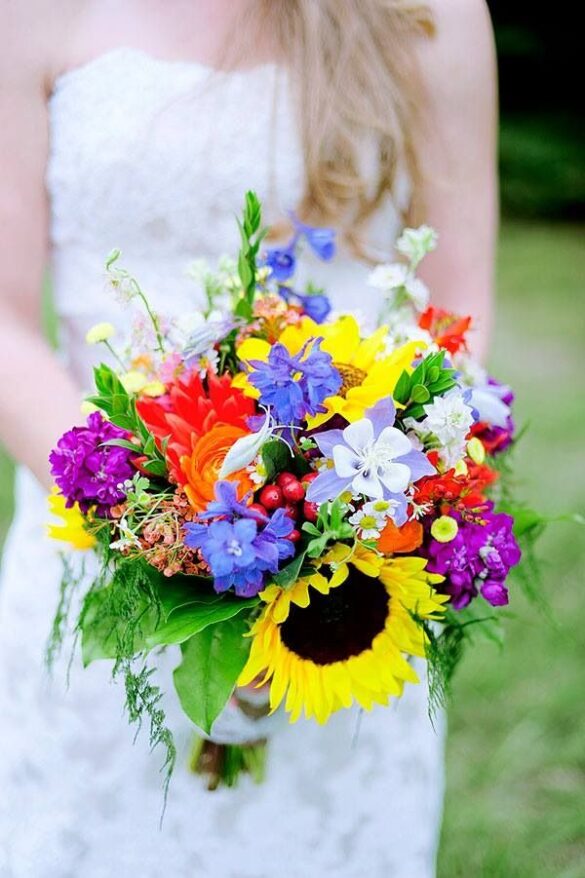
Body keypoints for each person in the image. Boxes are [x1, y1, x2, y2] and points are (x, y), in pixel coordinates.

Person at [0, 1, 498, 875]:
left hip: (349, 568)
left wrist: (349, 516)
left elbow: (458, 303)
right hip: (102, 547)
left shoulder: (431, 12)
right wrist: (149, 524)